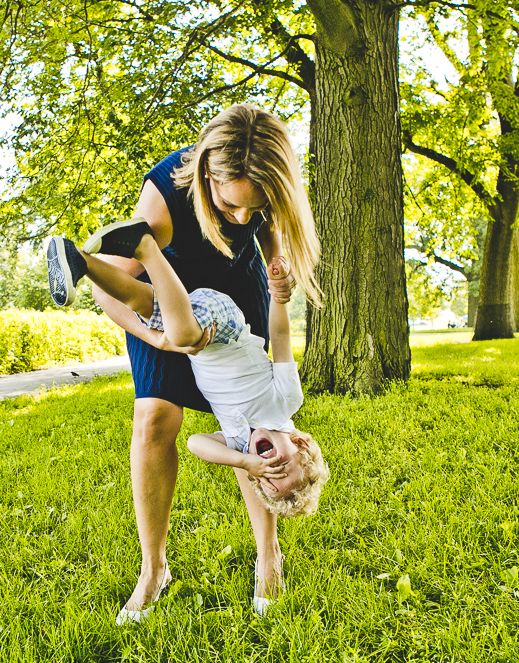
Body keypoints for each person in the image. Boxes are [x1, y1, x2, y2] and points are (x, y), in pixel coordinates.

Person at [49, 105, 323, 622]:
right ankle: (154, 567)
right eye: (231, 203)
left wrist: (277, 258)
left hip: (238, 290)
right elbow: (116, 293)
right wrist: (154, 336)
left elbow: (263, 228)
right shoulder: (168, 193)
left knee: (244, 432)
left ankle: (269, 554)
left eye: (257, 205)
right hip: (162, 298)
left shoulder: (260, 187)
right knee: (155, 418)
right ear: (207, 177)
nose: (242, 217)